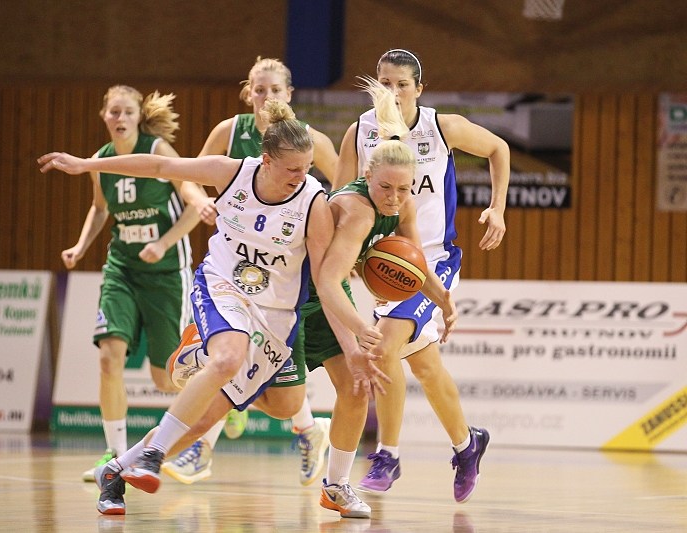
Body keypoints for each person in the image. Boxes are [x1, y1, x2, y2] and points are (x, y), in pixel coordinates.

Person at [39, 99, 385, 516]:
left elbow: (326, 284)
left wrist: (352, 347)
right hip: (224, 285)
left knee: (272, 408)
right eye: (293, 169)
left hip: (274, 312)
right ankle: (156, 452)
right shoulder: (232, 173)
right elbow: (161, 166)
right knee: (227, 359)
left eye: (307, 167)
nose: (303, 176)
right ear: (266, 160)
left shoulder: (313, 202)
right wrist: (87, 165)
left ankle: (114, 471)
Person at [334, 49, 509, 503]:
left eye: (401, 84)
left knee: (384, 347)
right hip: (386, 263)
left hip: (433, 260)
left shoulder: (441, 127)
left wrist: (497, 208)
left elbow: (499, 149)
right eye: (384, 82)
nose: (392, 91)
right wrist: (349, 253)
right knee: (426, 367)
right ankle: (467, 444)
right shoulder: (359, 132)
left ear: (419, 89)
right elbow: (340, 197)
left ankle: (387, 456)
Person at [162, 56, 338, 488]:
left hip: (286, 276)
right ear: (248, 93)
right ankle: (199, 449)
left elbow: (343, 193)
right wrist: (198, 200)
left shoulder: (308, 141)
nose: (267, 96)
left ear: (289, 94)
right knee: (227, 361)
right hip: (235, 268)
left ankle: (306, 428)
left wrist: (336, 246)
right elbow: (188, 176)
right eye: (260, 90)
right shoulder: (229, 132)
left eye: (275, 90)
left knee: (273, 389)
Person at [306, 77, 457, 519]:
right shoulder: (358, 213)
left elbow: (414, 267)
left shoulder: (402, 205)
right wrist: (362, 331)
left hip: (324, 295)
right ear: (367, 175)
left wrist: (444, 300)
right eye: (385, 187)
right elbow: (328, 283)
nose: (394, 198)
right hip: (295, 292)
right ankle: (207, 352)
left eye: (403, 189)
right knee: (271, 399)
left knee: (356, 386)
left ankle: (335, 486)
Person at [62, 85, 212, 483]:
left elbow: (191, 196)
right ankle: (114, 454)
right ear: (104, 116)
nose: (121, 118)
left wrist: (165, 241)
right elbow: (99, 209)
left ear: (138, 116)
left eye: (128, 112)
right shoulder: (100, 160)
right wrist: (80, 246)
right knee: (109, 357)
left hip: (166, 274)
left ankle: (218, 397)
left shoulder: (157, 149)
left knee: (166, 378)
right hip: (123, 270)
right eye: (114, 112)